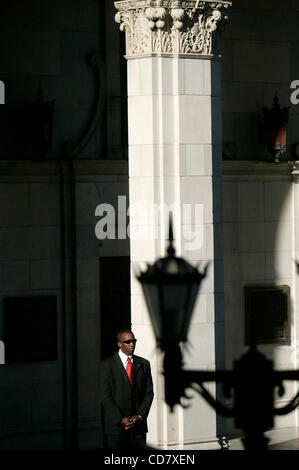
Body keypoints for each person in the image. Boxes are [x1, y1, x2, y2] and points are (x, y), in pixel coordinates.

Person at [99, 328, 154, 450]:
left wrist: (140, 415)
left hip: (138, 428)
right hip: (116, 429)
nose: (132, 344)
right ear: (119, 344)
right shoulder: (106, 365)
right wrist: (120, 419)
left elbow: (148, 393)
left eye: (134, 341)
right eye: (128, 342)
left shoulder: (144, 364)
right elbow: (105, 396)